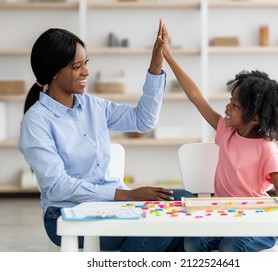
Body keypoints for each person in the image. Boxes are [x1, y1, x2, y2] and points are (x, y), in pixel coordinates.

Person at [18, 19, 192, 252]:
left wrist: (155, 67)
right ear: (54, 73)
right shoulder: (36, 121)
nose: (87, 71)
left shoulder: (93, 105)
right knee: (161, 228)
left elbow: (143, 120)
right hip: (67, 214)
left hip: (112, 205)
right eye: (76, 66)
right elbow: (59, 186)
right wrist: (127, 195)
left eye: (86, 62)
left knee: (185, 201)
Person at [162, 25, 278, 252]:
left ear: (255, 118)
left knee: (230, 246)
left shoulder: (267, 148)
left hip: (258, 224)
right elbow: (196, 97)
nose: (227, 107)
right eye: (230, 101)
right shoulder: (225, 130)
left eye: (235, 105)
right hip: (224, 217)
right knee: (193, 241)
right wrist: (168, 56)